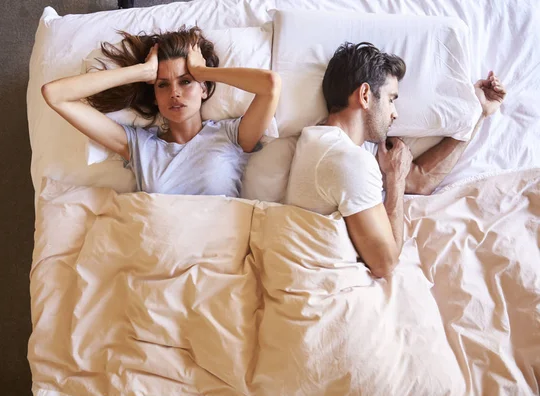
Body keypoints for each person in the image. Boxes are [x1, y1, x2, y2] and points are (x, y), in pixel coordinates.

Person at [286, 42, 506, 278]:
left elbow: (420, 181)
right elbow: (386, 263)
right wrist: (394, 180)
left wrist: (478, 112)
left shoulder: (323, 140)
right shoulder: (347, 160)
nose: (395, 113)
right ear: (365, 95)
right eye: (391, 99)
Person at [42, 27, 281, 197]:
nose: (174, 93)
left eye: (185, 82)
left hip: (217, 257)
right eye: (163, 85)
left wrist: (202, 71)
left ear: (204, 90)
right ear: (155, 98)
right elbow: (55, 95)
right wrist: (142, 72)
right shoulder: (139, 145)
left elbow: (270, 85)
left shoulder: (232, 136)